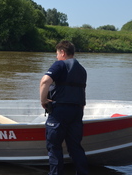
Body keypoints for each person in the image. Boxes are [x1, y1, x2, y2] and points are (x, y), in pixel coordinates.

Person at [40, 40, 88, 175]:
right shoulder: (82, 70)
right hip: (77, 111)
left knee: (54, 147)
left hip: (59, 111)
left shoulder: (59, 64)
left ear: (62, 52)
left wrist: (43, 100)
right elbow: (81, 92)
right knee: (75, 148)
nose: (56, 57)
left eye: (57, 54)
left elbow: (45, 81)